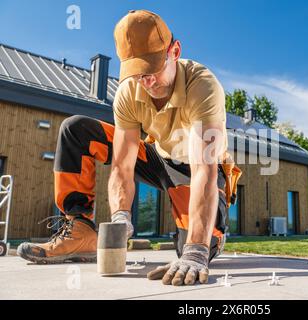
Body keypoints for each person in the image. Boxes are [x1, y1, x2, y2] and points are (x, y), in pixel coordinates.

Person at [17, 9, 241, 286]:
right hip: (158, 158)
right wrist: (121, 215)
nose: (146, 81)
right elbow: (123, 165)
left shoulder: (203, 87)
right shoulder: (129, 92)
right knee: (76, 129)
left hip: (196, 168)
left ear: (175, 51)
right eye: (137, 72)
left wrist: (197, 250)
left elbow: (204, 172)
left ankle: (204, 241)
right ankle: (81, 232)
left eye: (152, 68)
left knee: (193, 250)